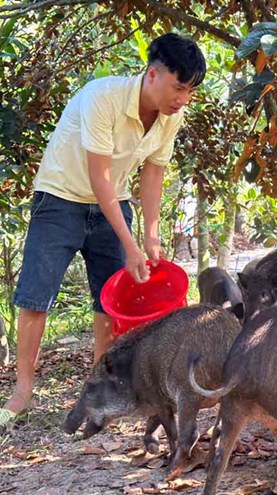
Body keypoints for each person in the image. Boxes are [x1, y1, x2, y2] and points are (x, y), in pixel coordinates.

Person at [0, 33, 206, 427]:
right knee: (35, 296)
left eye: (190, 91)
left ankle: (99, 392)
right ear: (152, 75)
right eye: (178, 87)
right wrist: (129, 244)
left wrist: (149, 233)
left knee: (109, 302)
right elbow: (100, 176)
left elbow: (154, 174)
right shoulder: (102, 97)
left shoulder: (170, 118)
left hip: (114, 203)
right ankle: (22, 392)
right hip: (60, 197)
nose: (183, 99)